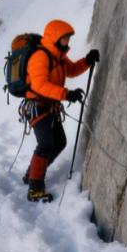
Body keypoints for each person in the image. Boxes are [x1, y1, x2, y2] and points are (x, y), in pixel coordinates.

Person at [22, 19, 99, 202]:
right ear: (55, 38)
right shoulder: (40, 57)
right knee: (46, 144)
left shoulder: (58, 55)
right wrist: (66, 94)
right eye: (65, 39)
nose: (67, 42)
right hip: (37, 107)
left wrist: (87, 61)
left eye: (68, 39)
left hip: (50, 107)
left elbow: (70, 70)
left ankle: (32, 173)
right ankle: (35, 188)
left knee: (60, 142)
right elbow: (39, 85)